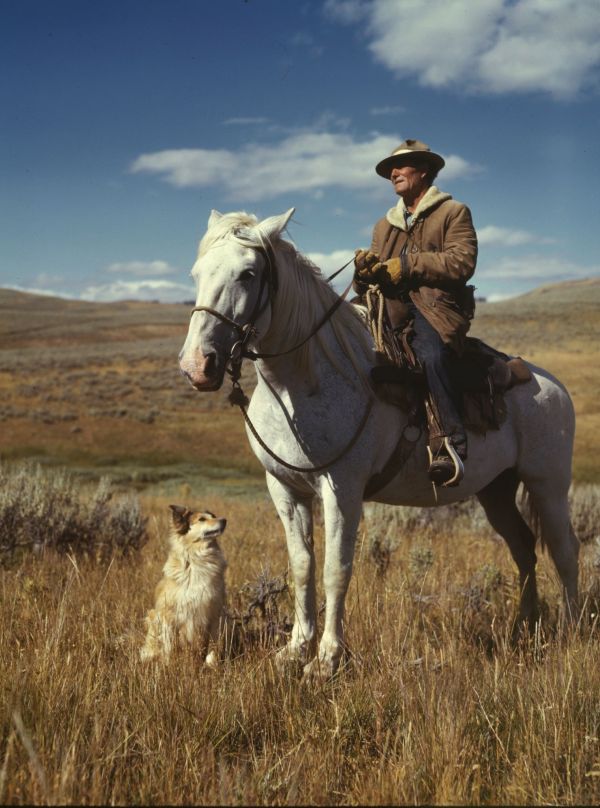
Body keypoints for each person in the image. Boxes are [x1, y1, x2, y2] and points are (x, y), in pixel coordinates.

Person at [354, 139, 478, 486]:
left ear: (423, 170)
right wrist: (364, 273)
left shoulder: (453, 212)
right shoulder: (385, 225)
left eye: (402, 167)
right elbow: (377, 275)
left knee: (433, 355)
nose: (393, 174)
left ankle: (449, 442)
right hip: (387, 309)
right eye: (390, 170)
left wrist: (407, 266)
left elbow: (461, 262)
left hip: (435, 308)